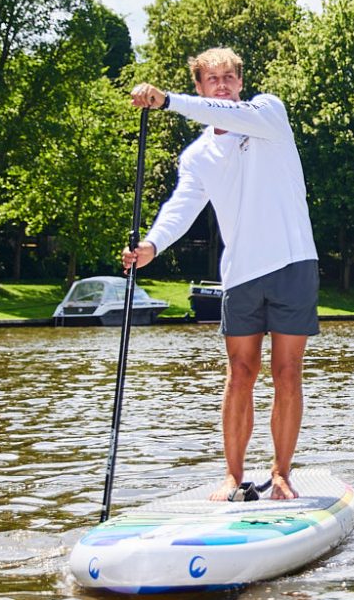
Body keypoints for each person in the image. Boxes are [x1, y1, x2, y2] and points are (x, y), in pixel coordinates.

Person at [124, 48, 319, 502]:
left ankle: (281, 473)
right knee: (240, 372)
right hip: (241, 273)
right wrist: (152, 245)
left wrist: (166, 101)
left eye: (230, 77)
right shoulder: (197, 156)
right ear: (200, 87)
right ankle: (233, 476)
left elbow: (223, 111)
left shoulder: (267, 114)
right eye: (213, 80)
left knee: (287, 372)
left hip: (293, 263)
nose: (223, 85)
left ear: (240, 82)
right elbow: (182, 206)